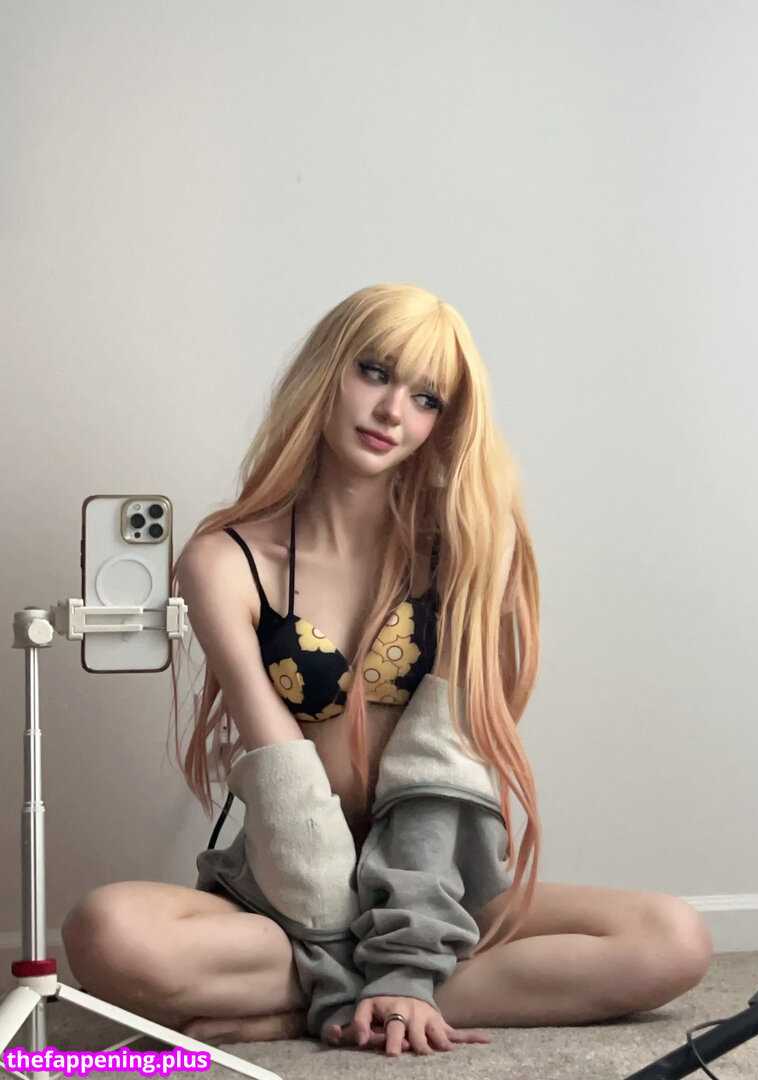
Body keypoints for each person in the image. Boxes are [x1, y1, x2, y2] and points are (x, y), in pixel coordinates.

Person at [61, 284, 713, 1057]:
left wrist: (406, 962)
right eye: (374, 372)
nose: (392, 411)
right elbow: (285, 780)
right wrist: (359, 967)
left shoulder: (466, 544)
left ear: (445, 420)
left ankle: (339, 1002)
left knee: (674, 938)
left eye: (426, 397)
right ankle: (363, 995)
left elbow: (441, 764)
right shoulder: (224, 559)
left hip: (441, 890)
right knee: (105, 931)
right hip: (291, 899)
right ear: (326, 371)